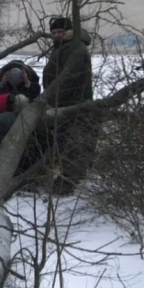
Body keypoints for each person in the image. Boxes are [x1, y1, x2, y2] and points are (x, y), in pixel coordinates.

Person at [38, 16, 96, 194]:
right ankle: (64, 179)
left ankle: (67, 183)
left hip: (71, 103)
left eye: (60, 32)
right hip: (62, 103)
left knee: (70, 142)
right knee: (64, 141)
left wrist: (52, 99)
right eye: (54, 33)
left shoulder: (74, 48)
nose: (56, 35)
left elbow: (69, 79)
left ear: (69, 31)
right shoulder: (64, 47)